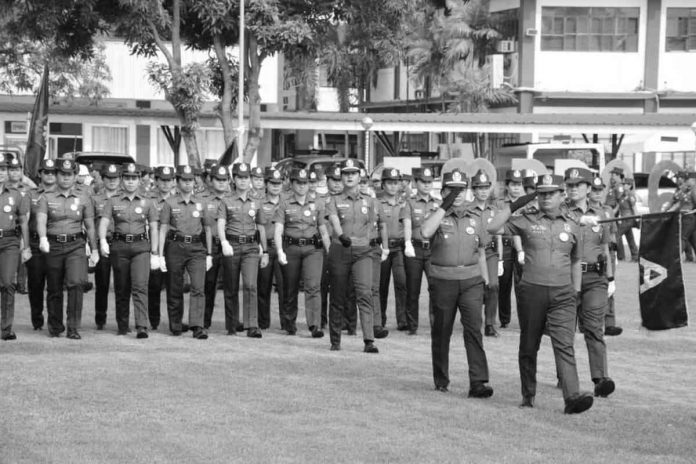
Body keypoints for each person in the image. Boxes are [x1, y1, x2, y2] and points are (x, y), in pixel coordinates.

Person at [487, 174, 594, 414]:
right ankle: (528, 395)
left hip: (563, 294)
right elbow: (492, 226)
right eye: (541, 193)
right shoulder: (525, 220)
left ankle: (572, 397)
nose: (545, 197)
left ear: (561, 195)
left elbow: (576, 260)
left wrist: (576, 291)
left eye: (550, 193)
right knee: (529, 344)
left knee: (564, 344)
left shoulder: (573, 223)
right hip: (532, 291)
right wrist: (515, 204)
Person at [420, 169, 493, 397]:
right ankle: (441, 379)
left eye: (462, 189)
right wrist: (444, 206)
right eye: (452, 189)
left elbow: (481, 252)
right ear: (442, 191)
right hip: (443, 281)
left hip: (471, 281)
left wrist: (487, 283)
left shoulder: (475, 217)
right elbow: (424, 232)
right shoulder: (437, 216)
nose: (458, 194)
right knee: (442, 331)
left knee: (473, 330)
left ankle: (478, 382)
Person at [564, 168, 616, 398]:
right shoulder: (560, 211)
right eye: (570, 185)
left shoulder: (602, 213)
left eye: (578, 185)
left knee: (594, 327)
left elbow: (605, 247)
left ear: (588, 188)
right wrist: (578, 221)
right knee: (565, 330)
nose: (573, 189)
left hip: (595, 278)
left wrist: (611, 278)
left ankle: (600, 378)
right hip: (566, 277)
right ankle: (565, 376)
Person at [326, 159, 385, 353]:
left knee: (364, 293)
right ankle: (335, 340)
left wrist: (368, 242)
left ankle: (369, 340)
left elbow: (373, 224)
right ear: (341, 177)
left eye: (353, 173)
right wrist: (341, 234)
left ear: (360, 177)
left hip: (363, 253)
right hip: (340, 250)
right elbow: (334, 218)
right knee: (337, 296)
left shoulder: (369, 200)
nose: (349, 177)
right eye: (345, 173)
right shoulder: (334, 199)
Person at [37, 158, 100, 340]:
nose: (66, 178)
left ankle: (73, 327)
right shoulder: (46, 197)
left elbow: (89, 225)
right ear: (57, 176)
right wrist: (42, 238)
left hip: (75, 245)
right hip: (53, 244)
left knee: (76, 283)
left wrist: (94, 249)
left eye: (69, 174)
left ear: (75, 177)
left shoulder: (83, 197)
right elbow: (41, 220)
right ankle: (55, 326)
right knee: (54, 287)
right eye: (62, 174)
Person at [99, 163, 159, 338]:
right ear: (122, 180)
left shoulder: (147, 202)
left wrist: (154, 252)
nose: (130, 182)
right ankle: (122, 325)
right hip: (120, 247)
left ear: (139, 180)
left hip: (141, 248)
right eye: (127, 178)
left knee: (140, 286)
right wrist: (103, 240)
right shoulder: (113, 201)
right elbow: (103, 222)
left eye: (134, 178)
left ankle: (142, 325)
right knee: (121, 287)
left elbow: (154, 228)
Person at [274, 167, 330, 337]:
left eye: (305, 183)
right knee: (290, 287)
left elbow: (323, 230)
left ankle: (315, 325)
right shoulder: (284, 202)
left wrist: (330, 251)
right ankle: (290, 322)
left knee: (313, 286)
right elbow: (278, 230)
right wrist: (279, 251)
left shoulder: (317, 203)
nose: (302, 186)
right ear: (292, 184)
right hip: (291, 248)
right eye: (298, 183)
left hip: (313, 249)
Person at [158, 165, 213, 339]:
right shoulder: (170, 203)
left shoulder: (202, 203)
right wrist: (159, 254)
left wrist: (210, 254)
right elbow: (163, 228)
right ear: (178, 181)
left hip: (197, 249)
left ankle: (197, 325)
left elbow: (208, 229)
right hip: (175, 247)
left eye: (190, 180)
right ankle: (175, 324)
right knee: (175, 286)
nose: (188, 184)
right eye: (184, 180)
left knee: (198, 287)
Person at [217, 162, 269, 338]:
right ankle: (232, 324)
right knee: (231, 287)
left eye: (246, 177)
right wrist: (223, 242)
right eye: (240, 177)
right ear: (234, 179)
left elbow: (261, 226)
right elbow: (221, 223)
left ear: (251, 180)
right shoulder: (226, 200)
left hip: (251, 248)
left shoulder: (257, 201)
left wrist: (265, 250)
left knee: (250, 285)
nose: (243, 181)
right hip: (232, 246)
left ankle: (252, 325)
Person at [401, 167, 440, 335]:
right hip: (415, 249)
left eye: (429, 182)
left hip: (433, 249)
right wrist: (407, 243)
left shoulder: (438, 203)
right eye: (423, 182)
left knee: (435, 288)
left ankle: (435, 323)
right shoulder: (410, 202)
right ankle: (412, 325)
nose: (426, 185)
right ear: (416, 183)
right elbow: (408, 224)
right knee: (413, 288)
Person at [588, 177, 623, 336]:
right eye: (594, 190)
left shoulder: (607, 210)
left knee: (609, 286)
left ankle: (609, 323)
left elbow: (614, 234)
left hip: (608, 252)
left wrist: (614, 254)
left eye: (599, 190)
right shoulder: (584, 210)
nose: (597, 193)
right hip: (592, 251)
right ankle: (585, 322)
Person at [0, 155, 30, 340]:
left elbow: (24, 222)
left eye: (3, 169)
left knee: (8, 283)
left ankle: (6, 328)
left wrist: (26, 247)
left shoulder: (16, 194)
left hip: (9, 242)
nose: (1, 172)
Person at [468, 169, 501, 337]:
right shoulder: (467, 210)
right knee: (477, 287)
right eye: (479, 188)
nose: (483, 191)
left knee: (493, 286)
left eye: (486, 188)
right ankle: (474, 321)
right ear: (473, 190)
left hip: (490, 252)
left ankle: (490, 324)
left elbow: (498, 234)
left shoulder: (494, 210)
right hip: (473, 254)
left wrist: (501, 259)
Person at [26, 159, 58, 330]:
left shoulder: (62, 194)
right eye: (46, 172)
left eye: (53, 172)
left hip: (55, 244)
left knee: (54, 285)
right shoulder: (31, 194)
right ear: (40, 174)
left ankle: (54, 321)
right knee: (36, 284)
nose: (50, 175)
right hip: (35, 243)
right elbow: (24, 219)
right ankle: (37, 320)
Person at [377, 168, 408, 331]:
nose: (393, 186)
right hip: (383, 248)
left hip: (399, 248)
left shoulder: (404, 203)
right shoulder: (377, 203)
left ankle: (402, 319)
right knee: (381, 285)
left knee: (402, 283)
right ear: (383, 184)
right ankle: (380, 319)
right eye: (389, 183)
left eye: (395, 183)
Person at [93, 164, 122, 330]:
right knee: (102, 284)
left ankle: (121, 320)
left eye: (115, 178)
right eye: (109, 178)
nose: (112, 181)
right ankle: (100, 318)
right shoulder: (96, 199)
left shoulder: (125, 198)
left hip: (120, 243)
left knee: (121, 284)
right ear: (103, 179)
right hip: (102, 243)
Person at [202, 165, 231, 330]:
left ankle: (231, 323)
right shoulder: (202, 199)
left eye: (224, 180)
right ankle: (204, 321)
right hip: (210, 247)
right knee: (208, 285)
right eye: (218, 180)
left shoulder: (234, 199)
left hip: (229, 246)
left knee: (230, 285)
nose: (221, 183)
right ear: (211, 180)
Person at [497, 169, 525, 329]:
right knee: (504, 284)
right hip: (506, 246)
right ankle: (504, 319)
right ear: (507, 186)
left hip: (522, 248)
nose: (516, 187)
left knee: (522, 286)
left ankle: (524, 319)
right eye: (513, 184)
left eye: (519, 184)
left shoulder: (526, 202)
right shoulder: (499, 203)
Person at [257, 167, 284, 330]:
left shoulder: (286, 201)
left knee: (284, 287)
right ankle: (263, 322)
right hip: (265, 248)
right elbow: (257, 227)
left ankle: (286, 322)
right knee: (263, 287)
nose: (275, 186)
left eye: (278, 183)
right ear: (266, 184)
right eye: (272, 183)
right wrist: (261, 248)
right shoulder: (259, 203)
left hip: (282, 248)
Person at [148, 166, 174, 330]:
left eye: (169, 180)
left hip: (173, 245)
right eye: (162, 180)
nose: (165, 184)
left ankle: (174, 321)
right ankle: (153, 319)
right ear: (156, 181)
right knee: (154, 285)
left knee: (173, 286)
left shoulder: (179, 198)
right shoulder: (148, 199)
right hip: (154, 245)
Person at [320, 165, 344, 329]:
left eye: (339, 180)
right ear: (327, 181)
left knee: (341, 286)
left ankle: (341, 321)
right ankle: (321, 320)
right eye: (333, 180)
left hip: (342, 246)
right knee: (322, 285)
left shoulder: (347, 200)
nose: (337, 184)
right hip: (322, 247)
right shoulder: (320, 201)